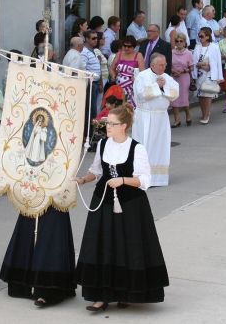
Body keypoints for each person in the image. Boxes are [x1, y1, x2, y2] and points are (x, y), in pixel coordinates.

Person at [75, 105, 169, 312]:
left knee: (128, 246)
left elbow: (144, 180)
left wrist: (123, 180)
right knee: (103, 247)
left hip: (130, 204)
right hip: (104, 202)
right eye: (106, 122)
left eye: (111, 123)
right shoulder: (102, 144)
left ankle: (126, 292)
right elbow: (96, 171)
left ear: (123, 126)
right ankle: (100, 296)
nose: (107, 126)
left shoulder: (137, 148)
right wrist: (82, 180)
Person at [132, 53, 179, 187]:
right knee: (145, 146)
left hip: (161, 118)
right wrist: (156, 86)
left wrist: (164, 87)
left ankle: (158, 179)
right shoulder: (142, 76)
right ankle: (143, 178)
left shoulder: (166, 77)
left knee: (160, 147)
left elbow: (175, 93)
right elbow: (141, 95)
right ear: (152, 65)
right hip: (145, 117)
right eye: (161, 64)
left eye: (165, 64)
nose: (164, 67)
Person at [192, 27, 223, 124]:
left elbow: (218, 62)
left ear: (207, 37)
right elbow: (194, 61)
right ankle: (203, 113)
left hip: (210, 74)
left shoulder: (214, 47)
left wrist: (219, 77)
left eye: (202, 36)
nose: (200, 38)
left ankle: (206, 115)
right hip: (199, 73)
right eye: (199, 36)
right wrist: (199, 65)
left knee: (207, 94)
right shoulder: (197, 46)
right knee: (200, 95)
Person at [110, 35, 145, 108]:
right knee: (118, 107)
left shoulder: (138, 55)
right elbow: (112, 68)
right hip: (118, 86)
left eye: (129, 46)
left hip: (132, 87)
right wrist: (113, 75)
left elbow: (142, 73)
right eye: (124, 46)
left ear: (134, 46)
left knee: (131, 107)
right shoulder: (119, 54)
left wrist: (136, 78)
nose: (126, 48)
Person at [170, 32, 194, 127]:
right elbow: (168, 65)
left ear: (184, 42)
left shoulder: (188, 53)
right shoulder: (171, 52)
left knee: (184, 97)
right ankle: (177, 120)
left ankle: (188, 114)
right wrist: (173, 71)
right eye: (177, 41)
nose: (179, 43)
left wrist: (183, 71)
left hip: (184, 77)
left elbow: (191, 67)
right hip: (173, 76)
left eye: (181, 41)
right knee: (174, 97)